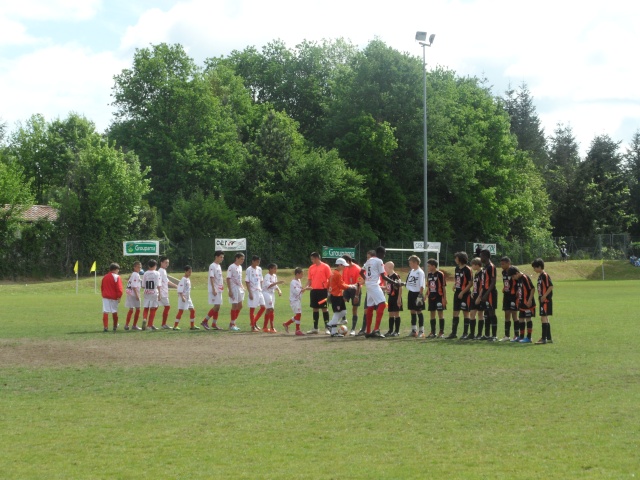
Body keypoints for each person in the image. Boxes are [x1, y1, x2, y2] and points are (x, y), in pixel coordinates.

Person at [361, 246, 399, 338]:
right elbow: (383, 276)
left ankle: (368, 331)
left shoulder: (368, 260)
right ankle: (376, 330)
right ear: (381, 253)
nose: (384, 255)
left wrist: (367, 280)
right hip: (374, 285)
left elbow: (361, 272)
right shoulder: (379, 261)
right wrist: (394, 282)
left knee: (370, 306)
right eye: (384, 253)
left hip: (369, 285)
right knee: (382, 304)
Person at [326, 258, 358, 337]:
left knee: (343, 312)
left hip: (337, 295)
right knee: (337, 313)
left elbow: (328, 285)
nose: (345, 267)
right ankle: (332, 329)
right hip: (336, 296)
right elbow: (341, 285)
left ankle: (330, 325)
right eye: (343, 266)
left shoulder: (333, 273)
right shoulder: (337, 274)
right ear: (339, 265)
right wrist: (351, 286)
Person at [447, 252, 472, 339]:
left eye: (456, 258)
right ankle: (453, 333)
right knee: (455, 312)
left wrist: (462, 292)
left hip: (465, 294)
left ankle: (465, 333)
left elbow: (470, 283)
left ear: (461, 259)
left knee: (466, 313)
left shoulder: (468, 269)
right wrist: (455, 284)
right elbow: (458, 279)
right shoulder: (457, 268)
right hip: (457, 293)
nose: (455, 259)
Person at [306, 252, 332, 334]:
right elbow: (309, 280)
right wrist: (306, 286)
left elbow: (330, 278)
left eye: (312, 259)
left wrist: (329, 289)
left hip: (323, 291)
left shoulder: (325, 266)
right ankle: (315, 328)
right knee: (315, 308)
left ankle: (327, 328)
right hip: (314, 291)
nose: (312, 261)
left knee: (324, 308)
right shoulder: (311, 267)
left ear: (317, 258)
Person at [509, 266, 536, 343]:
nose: (513, 278)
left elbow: (532, 289)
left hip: (527, 303)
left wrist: (530, 300)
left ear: (517, 273)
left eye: (513, 276)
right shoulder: (518, 279)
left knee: (528, 319)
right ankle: (521, 337)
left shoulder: (525, 278)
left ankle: (529, 337)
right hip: (521, 302)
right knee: (521, 319)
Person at [477, 249, 498, 341]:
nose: (480, 258)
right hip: (485, 292)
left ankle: (494, 335)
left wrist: (486, 294)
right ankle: (486, 334)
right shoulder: (485, 267)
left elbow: (493, 282)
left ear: (485, 256)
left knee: (492, 313)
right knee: (486, 314)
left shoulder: (491, 267)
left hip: (490, 293)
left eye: (481, 256)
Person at [283, 267, 311, 336]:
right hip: (294, 300)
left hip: (297, 300)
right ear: (297, 274)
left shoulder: (299, 281)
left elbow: (301, 290)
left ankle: (286, 323)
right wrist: (306, 288)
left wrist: (305, 288)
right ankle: (297, 330)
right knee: (298, 314)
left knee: (298, 314)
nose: (302, 276)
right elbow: (296, 291)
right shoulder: (293, 282)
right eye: (301, 274)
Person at [532, 258, 554, 344]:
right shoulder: (540, 276)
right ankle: (548, 338)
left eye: (535, 267)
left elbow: (551, 286)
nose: (534, 269)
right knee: (545, 318)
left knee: (543, 318)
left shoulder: (545, 275)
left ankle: (543, 338)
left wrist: (544, 296)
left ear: (540, 267)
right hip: (542, 299)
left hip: (545, 300)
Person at [202, 251, 224, 330]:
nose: (222, 259)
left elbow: (219, 277)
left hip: (219, 289)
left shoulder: (218, 266)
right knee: (216, 306)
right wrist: (214, 289)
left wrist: (222, 285)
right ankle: (205, 321)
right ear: (216, 257)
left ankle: (214, 323)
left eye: (222, 257)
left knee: (218, 307)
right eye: (221, 257)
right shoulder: (212, 266)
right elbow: (212, 277)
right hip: (214, 289)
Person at [341, 254, 362, 336]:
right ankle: (344, 318)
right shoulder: (345, 268)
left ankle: (353, 329)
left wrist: (356, 296)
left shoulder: (357, 269)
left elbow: (359, 284)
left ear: (348, 261)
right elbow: (342, 280)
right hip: (347, 288)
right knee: (341, 300)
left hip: (356, 290)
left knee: (354, 309)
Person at [426, 258, 447, 338]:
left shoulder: (440, 274)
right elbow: (429, 287)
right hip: (431, 297)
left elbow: (443, 287)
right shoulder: (429, 274)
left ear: (434, 266)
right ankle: (433, 332)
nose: (428, 267)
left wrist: (444, 298)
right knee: (432, 314)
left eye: (429, 266)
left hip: (439, 297)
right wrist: (426, 295)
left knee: (440, 313)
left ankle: (441, 332)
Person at [406, 255, 426, 338]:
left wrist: (420, 295)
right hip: (411, 293)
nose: (410, 265)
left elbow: (421, 284)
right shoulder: (412, 271)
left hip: (417, 293)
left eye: (411, 263)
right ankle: (414, 330)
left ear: (415, 263)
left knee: (419, 311)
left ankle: (421, 331)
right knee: (412, 311)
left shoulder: (420, 272)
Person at [173, 265, 199, 330]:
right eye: (189, 272)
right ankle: (175, 326)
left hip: (188, 298)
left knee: (192, 310)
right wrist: (182, 297)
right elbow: (180, 289)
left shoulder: (188, 279)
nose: (190, 273)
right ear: (185, 271)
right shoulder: (183, 279)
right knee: (181, 311)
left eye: (191, 272)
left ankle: (192, 326)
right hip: (183, 297)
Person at [500, 256, 519, 342]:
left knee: (514, 315)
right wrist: (505, 287)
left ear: (508, 263)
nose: (502, 265)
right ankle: (507, 335)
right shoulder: (503, 272)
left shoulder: (514, 271)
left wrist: (518, 291)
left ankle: (516, 335)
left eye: (503, 264)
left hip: (514, 296)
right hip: (506, 295)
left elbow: (519, 281)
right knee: (507, 314)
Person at [246, 255, 266, 332]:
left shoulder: (259, 269)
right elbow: (247, 281)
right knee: (252, 308)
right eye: (257, 261)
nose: (258, 263)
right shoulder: (249, 269)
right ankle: (253, 326)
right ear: (253, 261)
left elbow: (261, 280)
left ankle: (253, 322)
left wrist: (261, 289)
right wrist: (250, 292)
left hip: (259, 291)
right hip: (253, 291)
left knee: (263, 307)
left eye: (259, 261)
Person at [101, 263, 123, 332]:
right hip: (114, 297)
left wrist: (103, 294)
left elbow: (102, 287)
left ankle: (105, 327)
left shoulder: (105, 277)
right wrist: (119, 296)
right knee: (114, 311)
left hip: (105, 296)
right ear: (116, 269)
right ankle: (115, 326)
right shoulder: (117, 277)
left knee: (105, 311)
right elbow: (119, 288)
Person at [262, 263, 284, 333]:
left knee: (270, 309)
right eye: (274, 268)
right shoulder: (267, 276)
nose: (275, 270)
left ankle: (266, 327)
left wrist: (279, 290)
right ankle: (271, 327)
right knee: (270, 309)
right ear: (270, 269)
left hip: (272, 293)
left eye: (276, 268)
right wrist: (277, 282)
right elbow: (269, 285)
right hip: (266, 293)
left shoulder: (274, 276)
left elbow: (275, 285)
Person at [158, 256, 178, 330]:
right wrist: (159, 292)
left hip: (163, 292)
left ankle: (150, 324)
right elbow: (159, 282)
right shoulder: (161, 271)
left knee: (156, 307)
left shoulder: (163, 271)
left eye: (168, 263)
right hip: (162, 292)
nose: (167, 264)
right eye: (166, 262)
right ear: (161, 263)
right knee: (167, 307)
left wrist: (176, 286)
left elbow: (167, 281)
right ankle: (163, 324)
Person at [226, 252, 245, 331]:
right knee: (234, 306)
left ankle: (232, 322)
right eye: (241, 259)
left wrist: (242, 286)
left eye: (243, 259)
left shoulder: (240, 267)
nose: (242, 260)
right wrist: (230, 290)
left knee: (240, 306)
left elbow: (239, 278)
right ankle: (232, 324)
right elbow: (228, 278)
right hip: (233, 288)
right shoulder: (232, 266)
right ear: (236, 258)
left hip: (239, 288)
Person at [384, 261, 403, 337]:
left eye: (385, 267)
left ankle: (397, 331)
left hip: (396, 297)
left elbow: (400, 288)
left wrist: (399, 299)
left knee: (396, 314)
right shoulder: (388, 276)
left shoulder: (396, 276)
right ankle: (390, 330)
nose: (384, 269)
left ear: (390, 267)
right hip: (390, 297)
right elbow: (387, 287)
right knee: (390, 314)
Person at [467, 257, 484, 340]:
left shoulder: (482, 273)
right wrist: (473, 292)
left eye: (473, 265)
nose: (472, 267)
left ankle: (479, 334)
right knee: (472, 313)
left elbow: (483, 287)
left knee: (480, 314)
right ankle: (472, 333)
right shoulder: (476, 273)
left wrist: (479, 297)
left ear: (477, 265)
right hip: (474, 295)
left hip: (480, 296)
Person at [141, 259, 161, 331]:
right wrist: (160, 294)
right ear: (155, 266)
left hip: (146, 292)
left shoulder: (145, 273)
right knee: (153, 308)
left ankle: (144, 319)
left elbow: (143, 285)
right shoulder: (157, 273)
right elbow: (158, 285)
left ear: (148, 266)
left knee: (146, 307)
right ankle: (149, 325)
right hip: (154, 292)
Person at [124, 261, 142, 331]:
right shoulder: (136, 274)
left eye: (140, 267)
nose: (139, 268)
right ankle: (134, 325)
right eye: (138, 267)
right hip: (133, 294)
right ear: (134, 267)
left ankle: (127, 324)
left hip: (129, 293)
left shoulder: (133, 274)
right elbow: (134, 286)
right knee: (138, 309)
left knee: (131, 309)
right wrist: (137, 295)